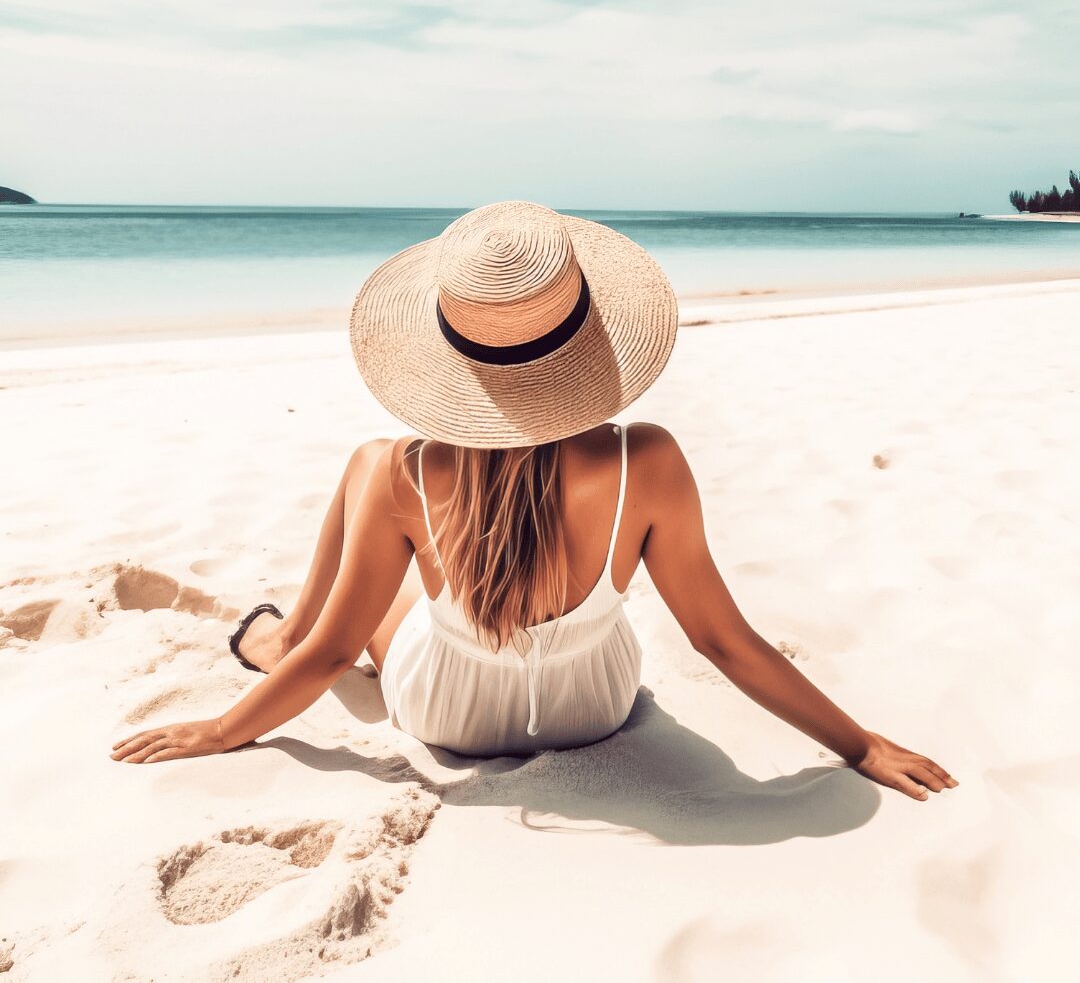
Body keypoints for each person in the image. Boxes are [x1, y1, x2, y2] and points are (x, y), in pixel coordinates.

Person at [111, 200, 957, 802]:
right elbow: (722, 642)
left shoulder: (407, 472)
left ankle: (274, 637)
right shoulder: (647, 459)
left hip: (448, 715)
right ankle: (286, 634)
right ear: (588, 339)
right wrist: (862, 744)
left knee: (363, 475)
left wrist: (222, 732)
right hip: (596, 709)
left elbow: (338, 656)